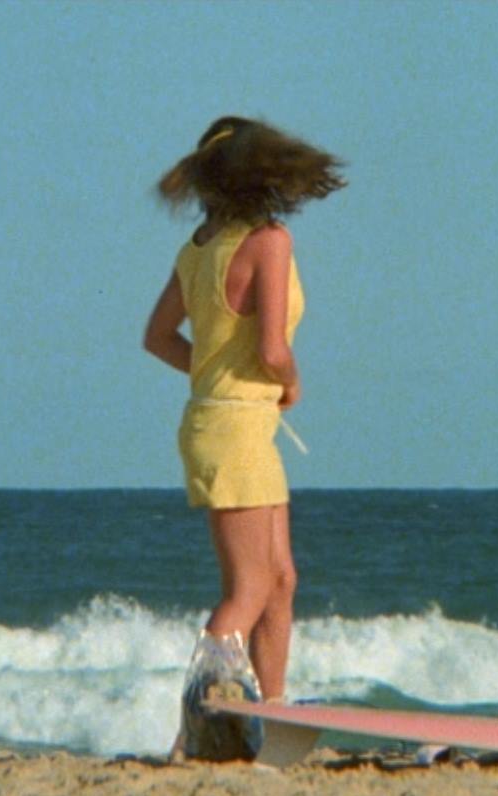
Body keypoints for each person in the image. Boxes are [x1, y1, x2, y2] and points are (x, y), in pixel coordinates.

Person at [143, 117, 344, 754]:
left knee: (280, 580)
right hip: (237, 430)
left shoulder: (198, 248)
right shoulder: (268, 241)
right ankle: (193, 729)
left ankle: (273, 720)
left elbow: (158, 339)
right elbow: (273, 349)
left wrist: (216, 377)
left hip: (223, 422)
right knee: (250, 589)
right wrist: (291, 384)